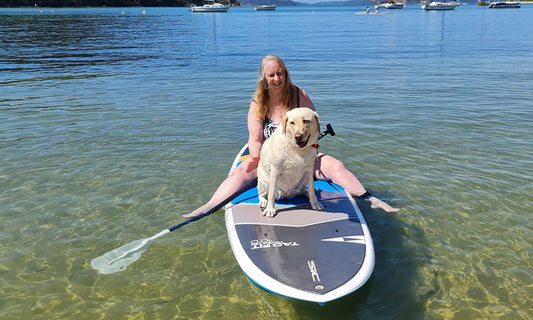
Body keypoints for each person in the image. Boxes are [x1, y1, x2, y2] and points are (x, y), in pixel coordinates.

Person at [183, 55, 398, 218]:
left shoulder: (298, 95)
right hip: (272, 158)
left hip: (302, 154)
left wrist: (311, 148)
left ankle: (368, 198)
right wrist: (256, 158)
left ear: (285, 73)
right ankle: (209, 206)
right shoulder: (259, 103)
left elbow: (313, 126)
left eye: (280, 73)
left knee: (334, 165)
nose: (277, 78)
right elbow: (255, 139)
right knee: (241, 172)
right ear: (264, 78)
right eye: (271, 75)